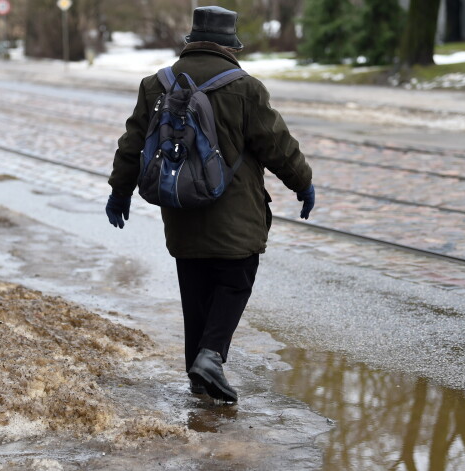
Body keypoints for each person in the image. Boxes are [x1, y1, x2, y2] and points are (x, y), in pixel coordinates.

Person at [106, 6, 314, 402]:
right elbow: (277, 146)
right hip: (234, 213)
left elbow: (132, 145)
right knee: (236, 280)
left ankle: (198, 381)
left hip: (179, 207)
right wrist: (302, 183)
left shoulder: (157, 84)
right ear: (229, 46)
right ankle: (211, 359)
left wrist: (120, 192)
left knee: (195, 290)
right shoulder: (245, 88)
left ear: (191, 41)